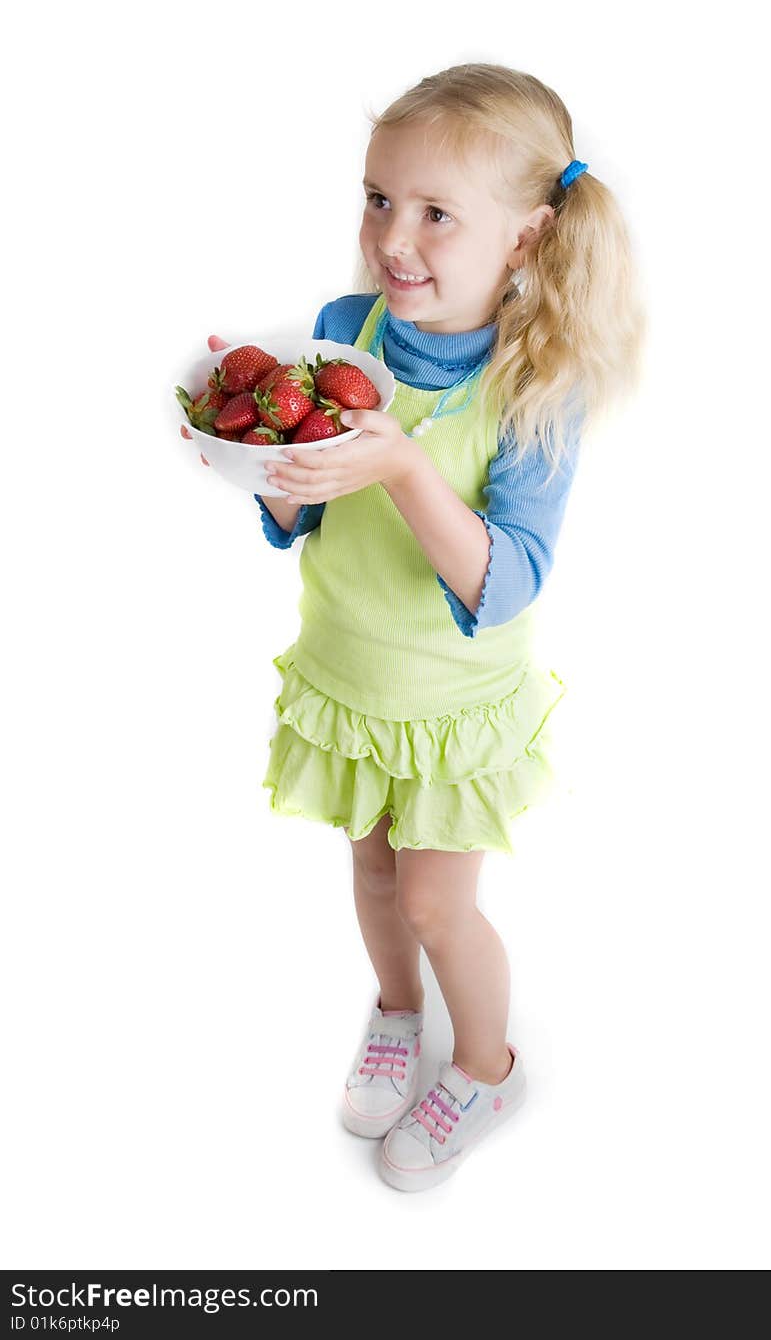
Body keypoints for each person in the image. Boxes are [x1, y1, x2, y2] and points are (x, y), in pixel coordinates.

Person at [209, 64, 644, 1191]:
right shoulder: (338, 332)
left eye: (436, 213)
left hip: (450, 709)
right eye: (377, 197)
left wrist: (400, 460)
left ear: (525, 237)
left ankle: (488, 1063)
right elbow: (298, 520)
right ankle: (397, 1012)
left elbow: (507, 584)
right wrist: (263, 455)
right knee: (371, 878)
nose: (392, 238)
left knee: (436, 898)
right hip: (348, 676)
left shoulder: (534, 387)